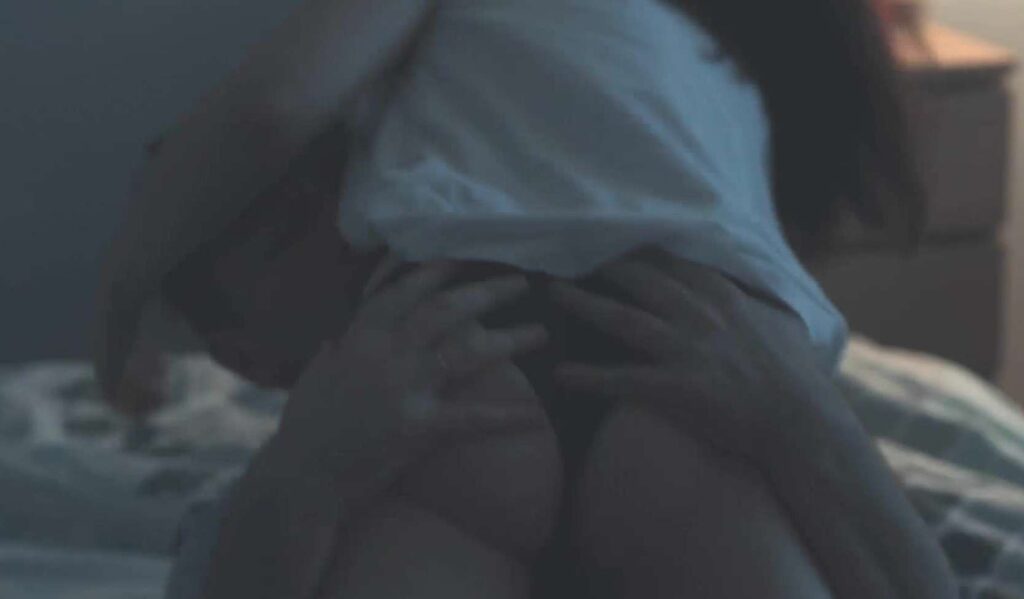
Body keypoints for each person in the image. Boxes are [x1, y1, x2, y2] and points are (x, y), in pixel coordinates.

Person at [92, 0, 955, 596]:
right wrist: (305, 471)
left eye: (332, 184)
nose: (333, 211)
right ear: (241, 354)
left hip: (557, 368)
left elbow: (273, 107)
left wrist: (121, 299)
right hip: (672, 361)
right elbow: (269, 114)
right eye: (282, 231)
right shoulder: (702, 88)